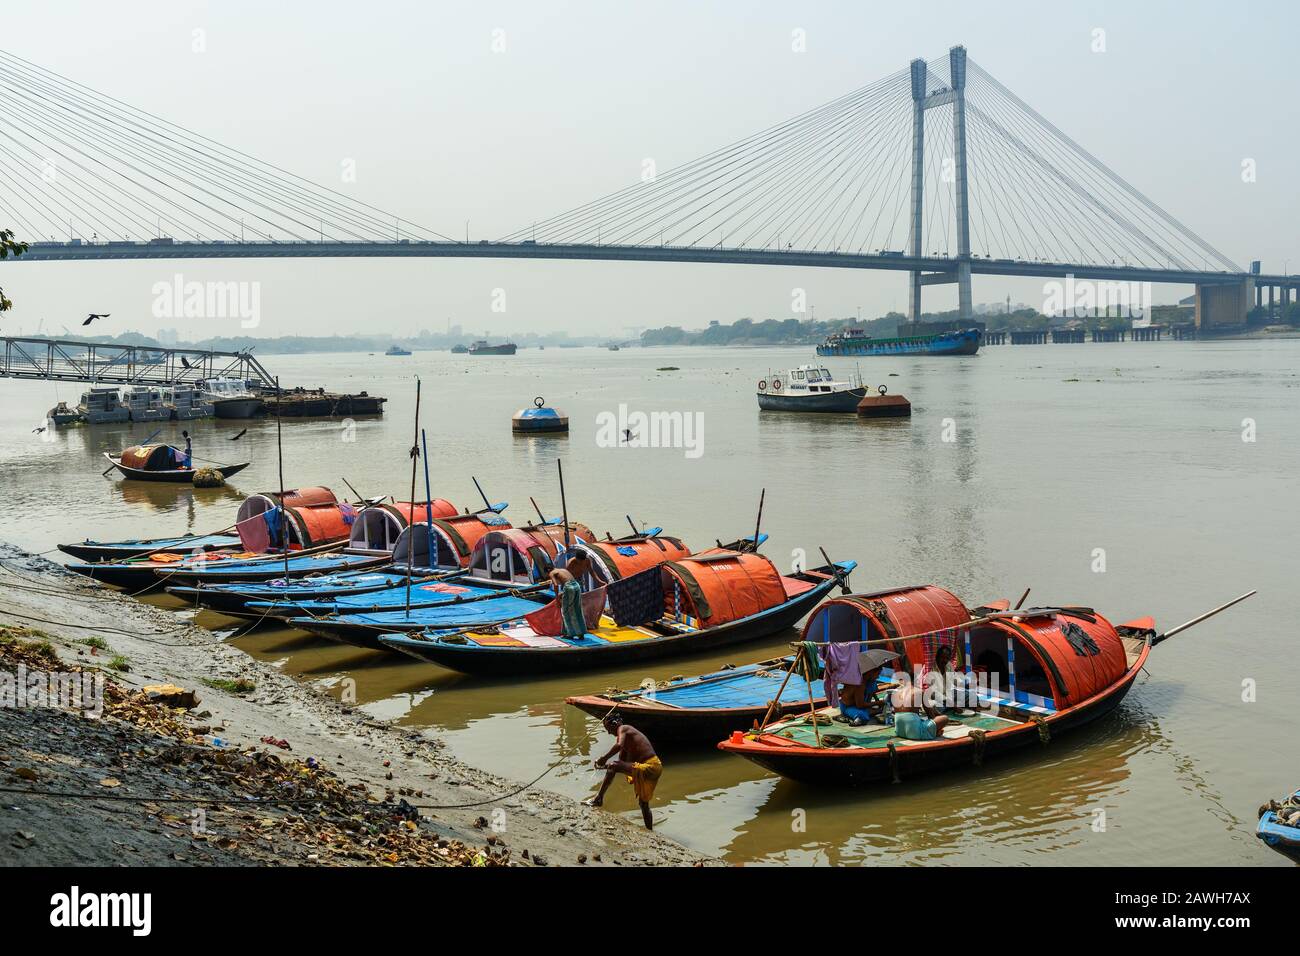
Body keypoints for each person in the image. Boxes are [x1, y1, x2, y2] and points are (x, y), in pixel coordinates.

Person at [585, 713, 661, 830]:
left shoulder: (624, 728)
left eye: (608, 729)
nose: (609, 733)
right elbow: (620, 763)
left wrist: (603, 758)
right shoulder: (626, 741)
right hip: (654, 768)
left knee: (614, 766)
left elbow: (618, 746)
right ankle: (650, 831)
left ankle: (598, 799)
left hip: (651, 766)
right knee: (643, 804)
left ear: (614, 724)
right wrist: (604, 766)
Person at [891, 664, 950, 742]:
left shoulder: (895, 693)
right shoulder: (919, 691)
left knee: (920, 720)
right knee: (945, 718)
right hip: (914, 733)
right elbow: (931, 716)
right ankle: (935, 732)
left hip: (899, 731)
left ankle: (934, 732)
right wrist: (937, 723)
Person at [547, 550, 593, 638]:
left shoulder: (552, 573)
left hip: (569, 587)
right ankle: (580, 633)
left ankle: (569, 633)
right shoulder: (562, 570)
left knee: (566, 611)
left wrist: (557, 599)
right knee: (577, 609)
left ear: (548, 571)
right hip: (577, 585)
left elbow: (556, 585)